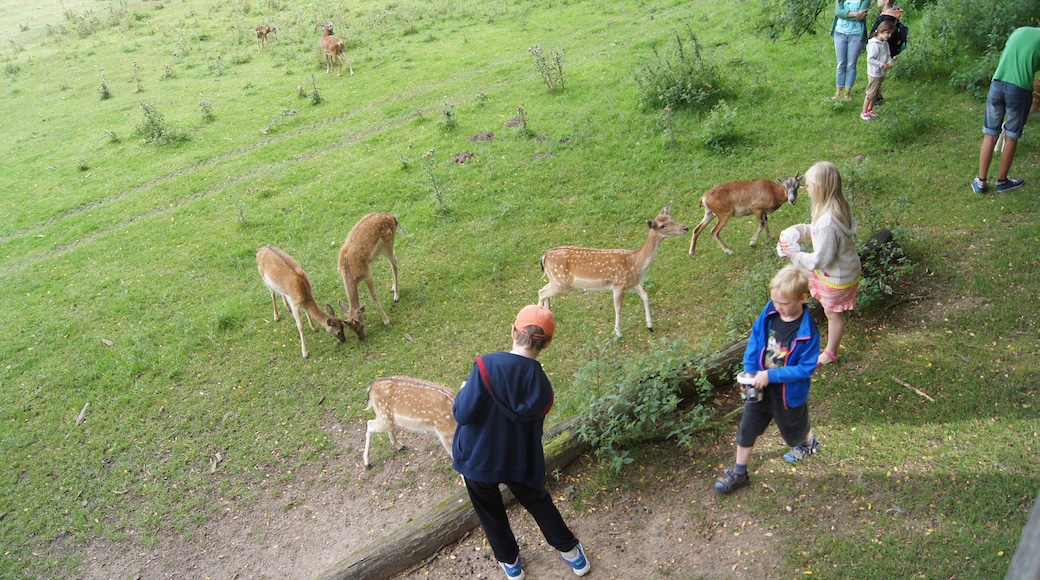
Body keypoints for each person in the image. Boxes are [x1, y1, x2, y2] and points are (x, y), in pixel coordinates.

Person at [452, 305, 591, 579]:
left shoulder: (486, 366)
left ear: (513, 331)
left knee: (490, 511)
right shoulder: (543, 387)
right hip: (519, 460)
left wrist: (464, 391)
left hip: (478, 459)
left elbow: (463, 414)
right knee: (538, 501)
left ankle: (511, 564)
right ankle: (572, 554)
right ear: (547, 344)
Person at [714, 264, 822, 494]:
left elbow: (805, 369)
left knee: (794, 427)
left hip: (787, 394)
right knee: (747, 428)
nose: (778, 307)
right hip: (760, 388)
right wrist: (750, 368)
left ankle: (808, 442)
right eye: (775, 301)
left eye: (785, 303)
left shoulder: (809, 333)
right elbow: (756, 338)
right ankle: (740, 473)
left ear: (802, 298)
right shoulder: (770, 311)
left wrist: (770, 375)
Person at [778, 161, 861, 366]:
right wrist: (797, 232)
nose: (805, 189)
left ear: (820, 188)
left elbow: (819, 259)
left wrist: (794, 255)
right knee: (799, 288)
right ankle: (792, 323)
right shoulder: (833, 208)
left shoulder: (828, 222)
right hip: (838, 270)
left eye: (808, 185)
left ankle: (831, 352)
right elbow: (816, 231)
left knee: (832, 313)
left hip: (837, 276)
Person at [971, 27, 1040, 194]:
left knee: (990, 134)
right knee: (1011, 136)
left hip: (997, 84)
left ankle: (980, 182)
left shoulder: (1020, 31)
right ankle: (1002, 182)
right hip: (1019, 90)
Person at [830, 0, 872, 102]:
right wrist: (856, 14)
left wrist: (846, 14)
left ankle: (847, 93)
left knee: (851, 65)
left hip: (856, 35)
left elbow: (860, 17)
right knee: (841, 64)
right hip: (839, 33)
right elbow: (838, 12)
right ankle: (838, 93)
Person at [868, 0, 906, 106]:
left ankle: (873, 99)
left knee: (875, 77)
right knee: (878, 77)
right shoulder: (889, 14)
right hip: (880, 51)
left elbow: (885, 37)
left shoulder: (888, 18)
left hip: (880, 52)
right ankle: (876, 96)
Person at [861, 20, 895, 121]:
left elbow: (888, 55)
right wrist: (881, 64)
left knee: (876, 92)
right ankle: (864, 112)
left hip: (882, 73)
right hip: (874, 73)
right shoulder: (874, 44)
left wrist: (889, 62)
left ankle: (870, 109)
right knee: (870, 93)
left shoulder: (885, 43)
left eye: (890, 33)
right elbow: (870, 59)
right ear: (880, 31)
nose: (889, 35)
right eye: (887, 33)